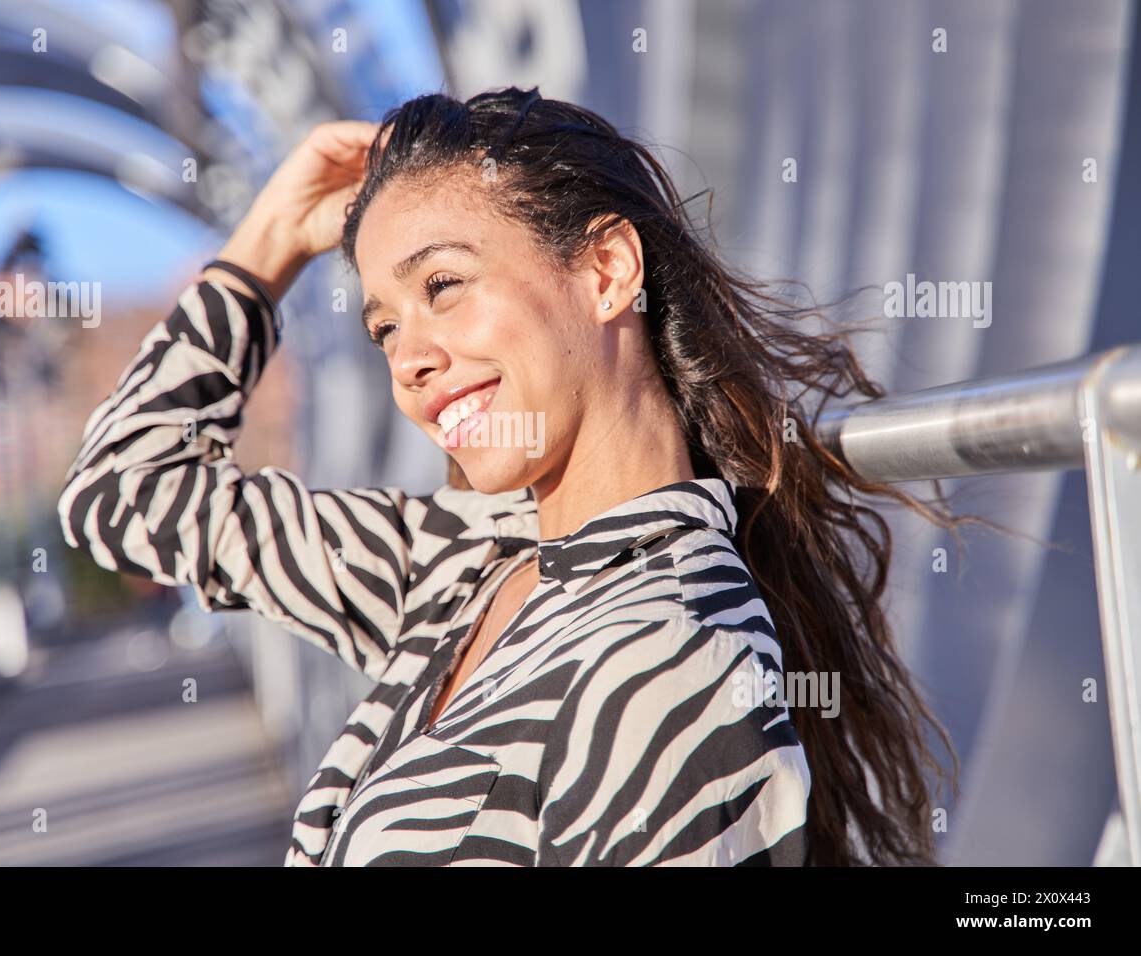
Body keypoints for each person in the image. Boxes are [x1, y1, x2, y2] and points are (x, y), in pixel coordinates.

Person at [57, 86, 959, 867]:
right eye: (383, 327)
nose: (407, 359)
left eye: (443, 286)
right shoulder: (461, 565)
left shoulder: (673, 654)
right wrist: (270, 242)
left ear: (607, 271)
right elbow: (123, 490)